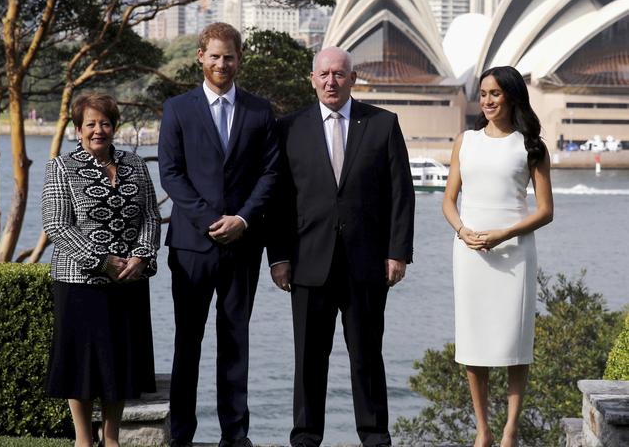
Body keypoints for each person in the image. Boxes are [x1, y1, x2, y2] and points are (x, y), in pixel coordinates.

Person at [267, 46, 415, 447]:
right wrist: (278, 257)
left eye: (339, 74)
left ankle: (374, 435)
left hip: (366, 264)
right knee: (308, 360)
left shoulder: (383, 124)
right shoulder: (289, 128)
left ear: (353, 78)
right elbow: (278, 200)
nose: (331, 81)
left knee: (367, 357)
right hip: (306, 264)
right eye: (324, 74)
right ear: (313, 79)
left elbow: (401, 193)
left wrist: (398, 252)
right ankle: (305, 436)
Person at [158, 22, 280, 447]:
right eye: (214, 56)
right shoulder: (177, 109)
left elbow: (270, 173)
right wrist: (212, 220)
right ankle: (181, 434)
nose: (222, 64)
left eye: (229, 56)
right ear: (200, 57)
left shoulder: (261, 111)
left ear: (239, 59)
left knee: (235, 343)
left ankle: (235, 436)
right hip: (192, 245)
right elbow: (171, 174)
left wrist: (242, 219)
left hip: (242, 246)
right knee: (187, 342)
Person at [442, 66, 554, 447]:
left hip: (515, 253)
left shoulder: (531, 146)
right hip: (471, 253)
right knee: (474, 342)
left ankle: (510, 429)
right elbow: (448, 201)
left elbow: (545, 211)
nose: (488, 101)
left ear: (511, 97)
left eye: (495, 94)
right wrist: (463, 231)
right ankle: (483, 430)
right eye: (484, 94)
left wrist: (504, 234)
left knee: (515, 343)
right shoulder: (466, 141)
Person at [42, 93, 161, 447]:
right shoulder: (61, 167)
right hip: (80, 283)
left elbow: (151, 216)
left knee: (119, 363)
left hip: (128, 282)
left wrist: (141, 256)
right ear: (78, 130)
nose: (99, 130)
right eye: (91, 124)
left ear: (114, 127)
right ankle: (83, 440)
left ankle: (112, 439)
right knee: (81, 365)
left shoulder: (135, 165)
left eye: (105, 123)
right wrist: (103, 261)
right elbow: (57, 225)